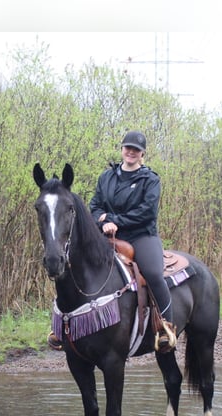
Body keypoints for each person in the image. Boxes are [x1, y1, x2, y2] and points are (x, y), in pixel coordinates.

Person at [47, 130, 177, 353]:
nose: (131, 152)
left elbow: (147, 212)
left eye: (136, 149)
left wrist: (116, 220)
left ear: (142, 153)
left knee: (154, 274)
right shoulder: (106, 177)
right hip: (107, 234)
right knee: (75, 264)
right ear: (121, 150)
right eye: (127, 148)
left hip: (141, 235)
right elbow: (95, 204)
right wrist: (101, 220)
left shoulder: (150, 180)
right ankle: (62, 325)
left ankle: (165, 326)